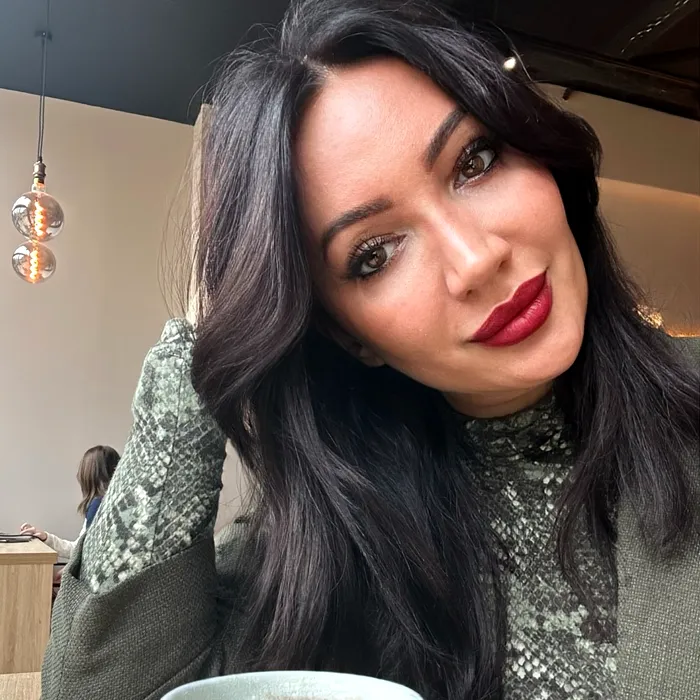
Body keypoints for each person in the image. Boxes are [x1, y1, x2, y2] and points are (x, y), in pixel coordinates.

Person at [42, 1, 700, 699]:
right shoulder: (320, 553)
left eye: (475, 161)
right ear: (348, 336)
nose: (475, 260)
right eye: (375, 254)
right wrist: (198, 359)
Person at [20, 445, 120, 560]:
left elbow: (86, 554)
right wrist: (46, 538)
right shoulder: (119, 505)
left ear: (87, 476)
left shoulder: (97, 505)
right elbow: (79, 550)